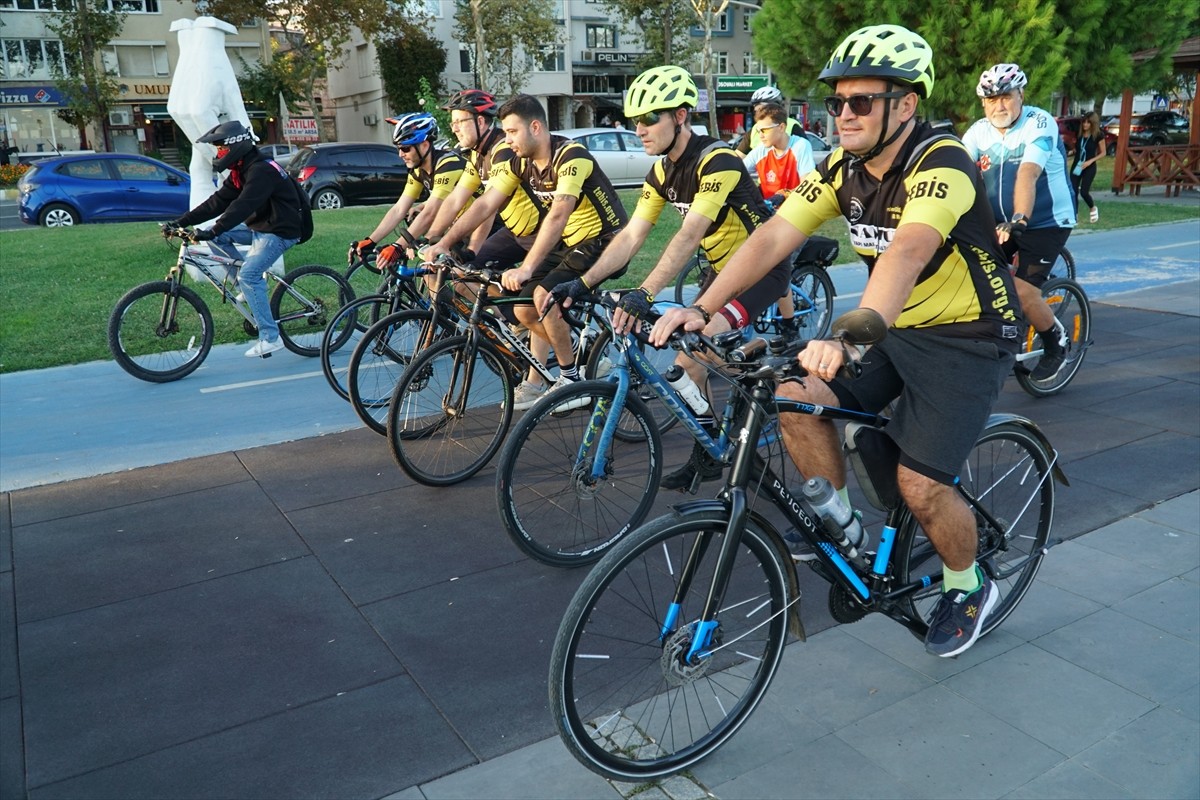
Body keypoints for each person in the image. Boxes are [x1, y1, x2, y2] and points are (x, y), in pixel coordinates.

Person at [650, 25, 1024, 658]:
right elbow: (771, 238)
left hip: (969, 337)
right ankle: (845, 528)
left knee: (920, 486)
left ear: (905, 105)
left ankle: (968, 585)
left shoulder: (941, 162)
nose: (843, 114)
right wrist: (705, 311)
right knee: (795, 391)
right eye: (836, 102)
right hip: (898, 327)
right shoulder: (839, 168)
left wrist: (848, 338)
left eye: (861, 102)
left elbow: (907, 250)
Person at [543, 65, 791, 491]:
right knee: (693, 362)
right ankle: (713, 446)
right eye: (633, 120)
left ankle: (764, 383)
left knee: (684, 362)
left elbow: (689, 233)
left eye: (648, 119)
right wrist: (582, 283)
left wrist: (645, 291)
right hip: (719, 271)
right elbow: (632, 234)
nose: (638, 129)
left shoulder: (718, 160)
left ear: (680, 116)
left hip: (762, 269)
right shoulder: (660, 173)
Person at [425, 93, 628, 410]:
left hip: (605, 242)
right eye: (504, 132)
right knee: (522, 310)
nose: (506, 140)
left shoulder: (572, 156)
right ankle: (574, 356)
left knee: (541, 295)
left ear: (536, 127)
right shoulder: (519, 161)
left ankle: (572, 381)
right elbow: (486, 202)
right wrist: (443, 242)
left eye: (512, 132)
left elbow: (559, 213)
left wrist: (526, 268)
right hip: (572, 243)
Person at [961, 63, 1077, 382]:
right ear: (983, 103)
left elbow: (1028, 174)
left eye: (1006, 96)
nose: (999, 105)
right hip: (1000, 221)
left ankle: (1057, 343)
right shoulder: (977, 133)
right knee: (977, 280)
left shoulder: (1038, 123)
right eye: (991, 99)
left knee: (1022, 292)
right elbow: (958, 174)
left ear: (1020, 95)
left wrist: (1019, 219)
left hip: (1044, 220)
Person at [171, 120, 306, 358]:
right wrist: (181, 221)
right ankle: (242, 286)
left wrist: (213, 229)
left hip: (281, 230)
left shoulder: (260, 170)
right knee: (220, 239)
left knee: (250, 274)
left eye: (221, 148)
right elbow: (218, 202)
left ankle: (270, 337)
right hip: (263, 226)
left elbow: (243, 206)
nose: (218, 153)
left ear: (235, 146)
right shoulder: (241, 171)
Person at [743, 102, 817, 339]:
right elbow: (737, 171)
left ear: (782, 127)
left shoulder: (800, 146)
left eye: (764, 130)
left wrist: (783, 195)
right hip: (771, 219)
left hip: (798, 219)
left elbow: (807, 184)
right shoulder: (762, 151)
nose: (759, 135)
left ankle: (789, 326)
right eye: (757, 130)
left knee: (777, 266)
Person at [353, 112, 467, 266]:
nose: (400, 154)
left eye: (406, 149)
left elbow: (430, 212)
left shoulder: (448, 164)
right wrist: (371, 241)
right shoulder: (418, 171)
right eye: (399, 148)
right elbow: (399, 209)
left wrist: (398, 246)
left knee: (461, 282)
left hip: (482, 228)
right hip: (458, 229)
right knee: (429, 272)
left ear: (425, 145)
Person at [734, 85, 803, 154]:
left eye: (761, 110)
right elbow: (738, 156)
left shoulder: (792, 125)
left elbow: (803, 152)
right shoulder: (755, 129)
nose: (758, 114)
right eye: (756, 111)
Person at [1070, 111, 1106, 223]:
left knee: (1084, 192)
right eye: (1084, 122)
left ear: (1093, 123)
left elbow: (1103, 153)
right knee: (1073, 191)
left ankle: (1092, 208)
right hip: (1077, 165)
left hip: (1089, 167)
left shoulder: (1098, 135)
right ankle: (1074, 214)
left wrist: (1090, 161)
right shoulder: (1079, 133)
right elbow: (1078, 148)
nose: (1085, 125)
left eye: (1088, 123)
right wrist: (1072, 151)